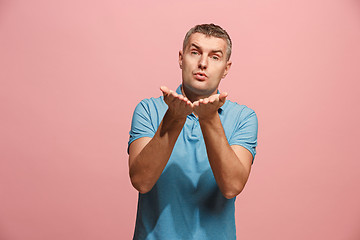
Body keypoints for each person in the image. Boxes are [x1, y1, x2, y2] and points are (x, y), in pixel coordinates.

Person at [127, 23, 258, 240]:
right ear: (181, 58)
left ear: (226, 68)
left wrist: (209, 118)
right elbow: (141, 181)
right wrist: (174, 117)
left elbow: (232, 186)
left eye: (215, 57)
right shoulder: (148, 110)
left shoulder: (244, 117)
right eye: (195, 52)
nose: (203, 63)